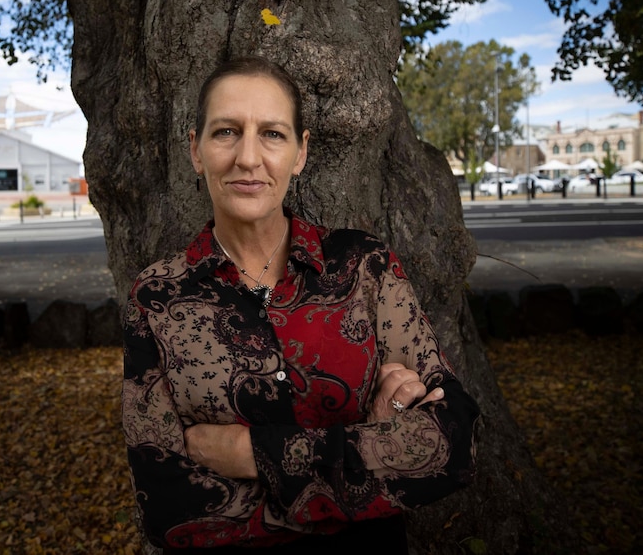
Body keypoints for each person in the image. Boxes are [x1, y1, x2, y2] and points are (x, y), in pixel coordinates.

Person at [121, 56, 480, 553]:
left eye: (272, 133)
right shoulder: (157, 296)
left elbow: (450, 444)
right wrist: (369, 444)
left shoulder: (364, 267)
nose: (248, 157)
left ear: (300, 152)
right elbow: (169, 508)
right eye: (226, 131)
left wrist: (253, 454)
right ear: (195, 150)